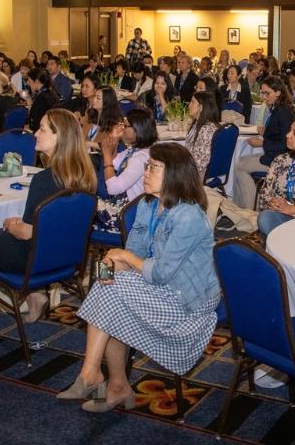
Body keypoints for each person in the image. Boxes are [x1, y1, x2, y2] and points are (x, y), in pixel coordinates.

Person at [60, 143, 219, 412]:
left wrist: (121, 256)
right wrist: (108, 267)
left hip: (188, 301)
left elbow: (159, 273)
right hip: (161, 287)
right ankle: (111, 384)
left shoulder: (189, 216)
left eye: (154, 167)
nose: (146, 172)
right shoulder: (148, 205)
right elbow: (133, 251)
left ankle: (96, 377)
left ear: (175, 174)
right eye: (147, 166)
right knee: (106, 286)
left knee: (110, 294)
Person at [0, 109, 97, 321]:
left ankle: (26, 291)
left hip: (34, 257)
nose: (35, 133)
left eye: (42, 129)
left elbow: (26, 233)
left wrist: (12, 225)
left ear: (59, 137)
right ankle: (32, 295)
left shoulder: (45, 179)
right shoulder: (85, 177)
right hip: (67, 254)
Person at [233, 76, 295, 209]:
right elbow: (279, 134)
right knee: (240, 161)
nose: (264, 97)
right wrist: (266, 132)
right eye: (262, 93)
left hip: (279, 160)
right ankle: (242, 208)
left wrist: (261, 143)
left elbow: (286, 144)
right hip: (275, 155)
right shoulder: (279, 108)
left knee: (239, 167)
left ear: (278, 92)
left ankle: (250, 209)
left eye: (267, 93)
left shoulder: (283, 112)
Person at [94, 108, 158, 236]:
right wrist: (114, 141)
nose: (121, 128)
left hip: (126, 215)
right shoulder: (134, 151)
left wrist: (106, 156)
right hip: (123, 207)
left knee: (81, 207)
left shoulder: (141, 158)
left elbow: (113, 188)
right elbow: (114, 163)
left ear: (138, 129)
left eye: (125, 125)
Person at [183, 91, 221, 177]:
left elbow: (200, 162)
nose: (189, 105)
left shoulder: (206, 130)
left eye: (192, 102)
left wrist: (179, 165)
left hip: (197, 174)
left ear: (201, 107)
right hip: (192, 168)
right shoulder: (197, 124)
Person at [25, 67, 60, 132]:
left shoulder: (41, 98)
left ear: (37, 81)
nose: (28, 83)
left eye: (29, 81)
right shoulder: (50, 91)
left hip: (43, 131)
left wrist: (29, 102)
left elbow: (34, 120)